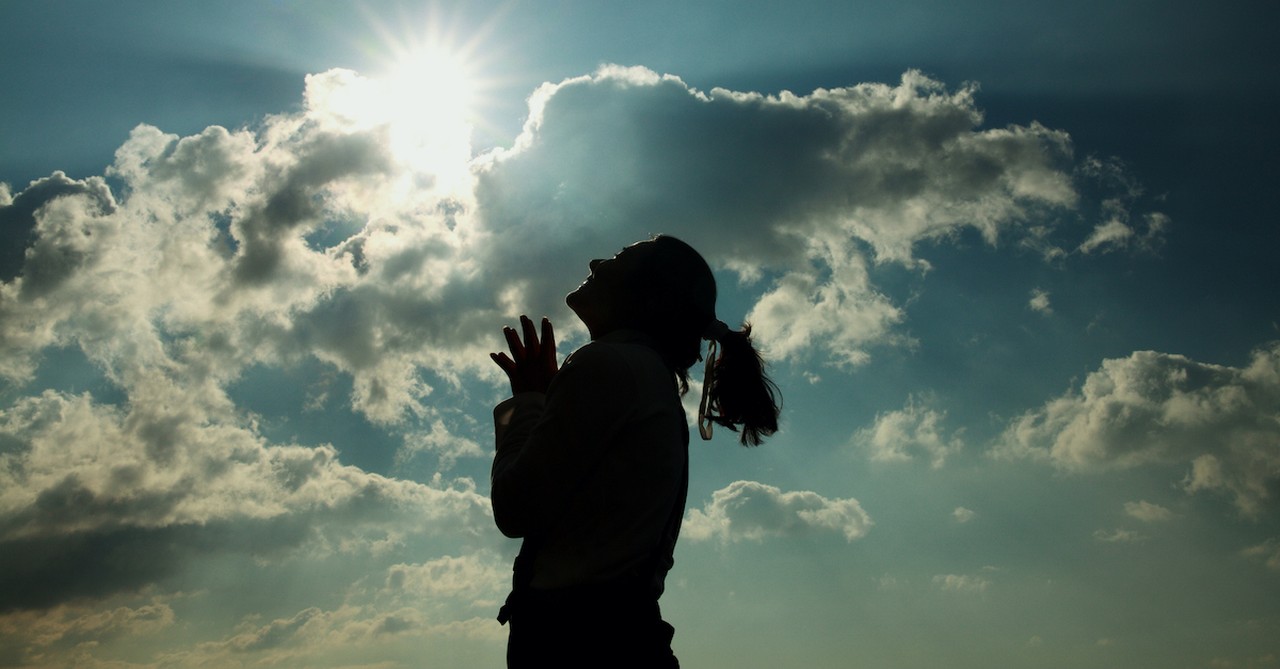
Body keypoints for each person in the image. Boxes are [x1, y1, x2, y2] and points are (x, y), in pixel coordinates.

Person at [489, 235, 781, 668]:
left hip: (580, 645)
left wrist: (529, 401)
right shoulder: (642, 374)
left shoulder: (606, 364)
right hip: (622, 635)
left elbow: (514, 508)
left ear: (649, 296)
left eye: (618, 258)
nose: (595, 260)